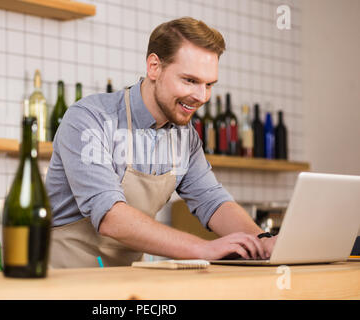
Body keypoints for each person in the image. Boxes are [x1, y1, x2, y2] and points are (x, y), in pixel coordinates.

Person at [46, 17, 277, 268]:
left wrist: (262, 241)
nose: (201, 96)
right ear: (154, 67)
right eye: (189, 80)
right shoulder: (90, 119)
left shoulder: (185, 137)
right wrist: (203, 249)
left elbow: (212, 200)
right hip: (62, 281)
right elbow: (110, 215)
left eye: (209, 84)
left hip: (127, 282)